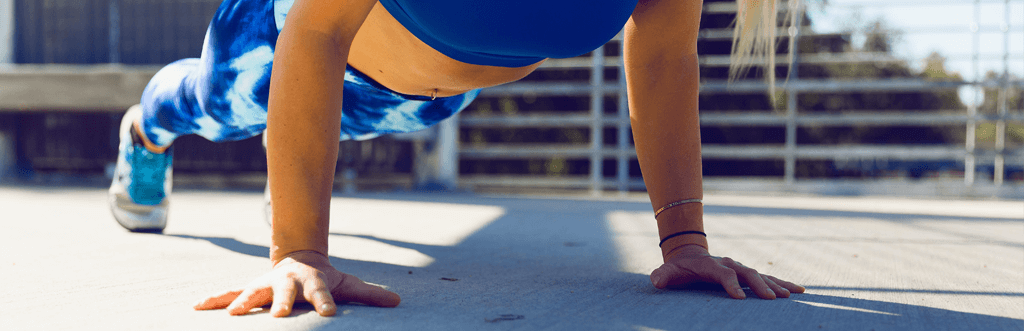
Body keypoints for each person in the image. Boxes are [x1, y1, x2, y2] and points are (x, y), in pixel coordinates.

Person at [108, 0, 805, 318]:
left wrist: (685, 241)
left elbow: (661, 60)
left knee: (317, 134)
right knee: (206, 105)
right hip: (284, 40)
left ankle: (289, 163)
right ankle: (145, 133)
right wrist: (300, 249)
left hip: (427, 101)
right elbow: (317, 31)